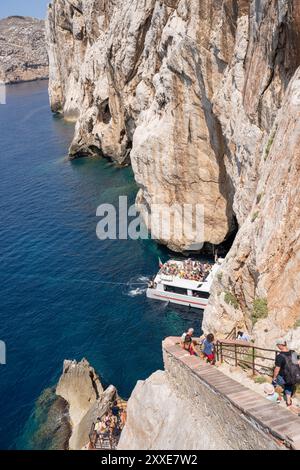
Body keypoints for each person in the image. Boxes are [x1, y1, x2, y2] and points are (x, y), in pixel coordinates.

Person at [272, 339, 299, 407]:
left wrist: (274, 378)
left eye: (277, 345)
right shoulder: (293, 352)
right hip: (294, 375)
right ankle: (288, 401)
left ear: (280, 345)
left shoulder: (279, 356)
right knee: (288, 385)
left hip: (284, 376)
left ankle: (276, 395)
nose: (277, 346)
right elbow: (298, 363)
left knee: (277, 381)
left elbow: (277, 369)